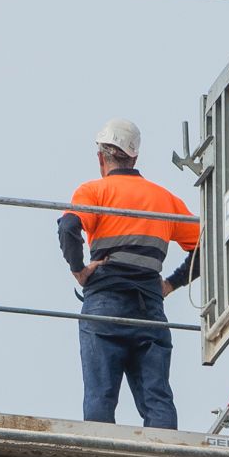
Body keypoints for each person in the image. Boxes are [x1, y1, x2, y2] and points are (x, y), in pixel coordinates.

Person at [57, 119, 200, 430]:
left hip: (104, 303)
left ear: (101, 158)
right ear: (134, 157)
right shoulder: (164, 199)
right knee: (157, 399)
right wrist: (171, 284)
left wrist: (79, 271)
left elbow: (68, 227)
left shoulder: (93, 191)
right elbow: (207, 245)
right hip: (149, 305)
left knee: (100, 399)